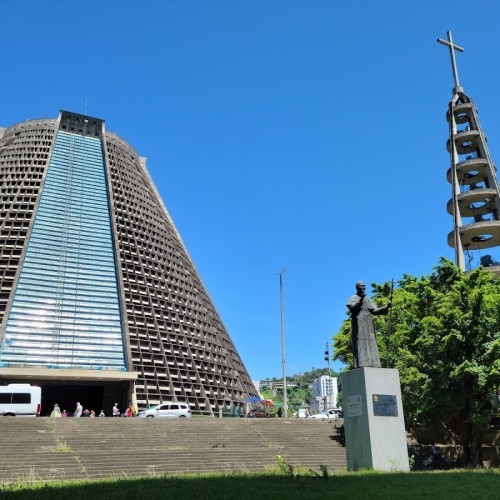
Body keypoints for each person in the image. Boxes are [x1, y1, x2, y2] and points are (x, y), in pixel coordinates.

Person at [346, 281, 391, 368]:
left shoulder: (367, 299)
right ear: (357, 287)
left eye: (364, 286)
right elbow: (352, 308)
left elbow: (375, 310)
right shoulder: (354, 297)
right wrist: (360, 299)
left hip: (368, 323)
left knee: (371, 343)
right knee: (361, 343)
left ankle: (374, 364)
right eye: (362, 286)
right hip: (359, 323)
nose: (363, 287)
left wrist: (386, 307)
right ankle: (362, 364)